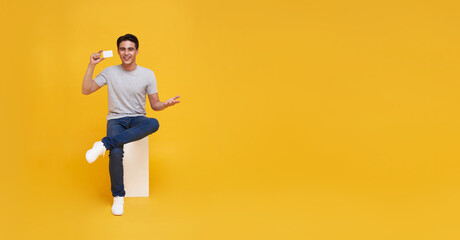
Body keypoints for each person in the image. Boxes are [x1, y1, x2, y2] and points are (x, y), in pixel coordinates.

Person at [82, 34, 180, 216]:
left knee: (154, 122)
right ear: (118, 51)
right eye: (122, 49)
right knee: (117, 152)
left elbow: (155, 105)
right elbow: (86, 90)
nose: (126, 53)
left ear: (137, 51)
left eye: (130, 49)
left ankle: (103, 144)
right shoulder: (110, 72)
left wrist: (165, 104)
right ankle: (118, 197)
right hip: (116, 119)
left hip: (137, 118)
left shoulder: (147, 74)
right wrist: (92, 65)